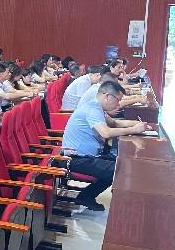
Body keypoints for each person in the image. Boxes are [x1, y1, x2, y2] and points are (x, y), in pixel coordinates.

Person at [62, 80, 149, 211]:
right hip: (76, 159)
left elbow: (114, 123)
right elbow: (106, 132)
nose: (118, 105)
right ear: (107, 96)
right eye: (117, 100)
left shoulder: (97, 107)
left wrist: (137, 124)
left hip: (88, 156)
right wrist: (133, 130)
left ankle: (85, 196)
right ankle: (90, 197)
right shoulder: (92, 109)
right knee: (119, 169)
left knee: (122, 162)